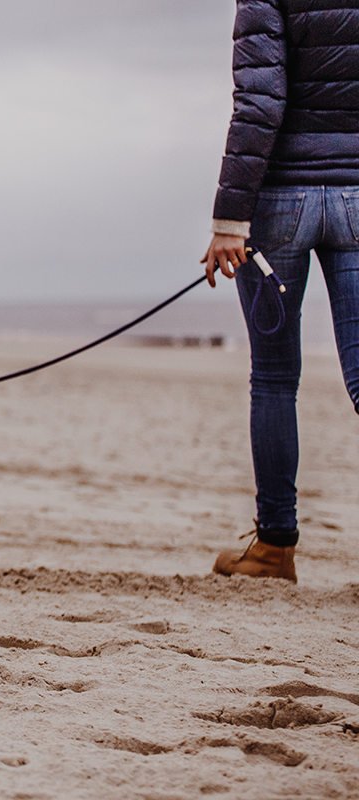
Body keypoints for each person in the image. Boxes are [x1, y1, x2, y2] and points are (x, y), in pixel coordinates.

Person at [203, 0, 359, 583]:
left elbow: (261, 101)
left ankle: (274, 550)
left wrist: (229, 220)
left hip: (281, 202)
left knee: (273, 379)